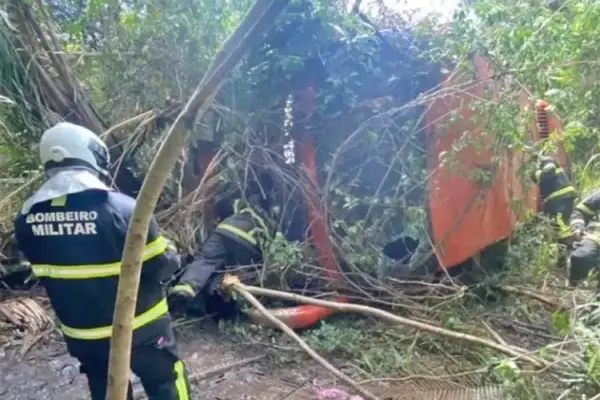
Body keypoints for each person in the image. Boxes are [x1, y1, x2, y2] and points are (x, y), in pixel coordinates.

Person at [13, 122, 191, 400]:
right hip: (142, 329)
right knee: (167, 379)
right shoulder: (124, 210)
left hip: (84, 337)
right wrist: (170, 249)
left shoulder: (25, 219)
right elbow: (163, 265)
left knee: (107, 390)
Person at [167, 192, 278, 316]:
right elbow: (266, 250)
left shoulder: (246, 204)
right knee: (232, 273)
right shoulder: (272, 224)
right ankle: (216, 295)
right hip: (248, 246)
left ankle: (185, 290)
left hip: (225, 232)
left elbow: (224, 205)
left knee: (205, 260)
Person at [531, 155, 578, 267]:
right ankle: (563, 258)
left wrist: (537, 173)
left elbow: (550, 168)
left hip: (560, 198)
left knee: (559, 226)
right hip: (561, 198)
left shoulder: (546, 160)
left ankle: (572, 249)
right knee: (558, 227)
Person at [569, 189, 600, 291]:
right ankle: (574, 284)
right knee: (581, 257)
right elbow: (580, 211)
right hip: (595, 238)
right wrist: (578, 227)